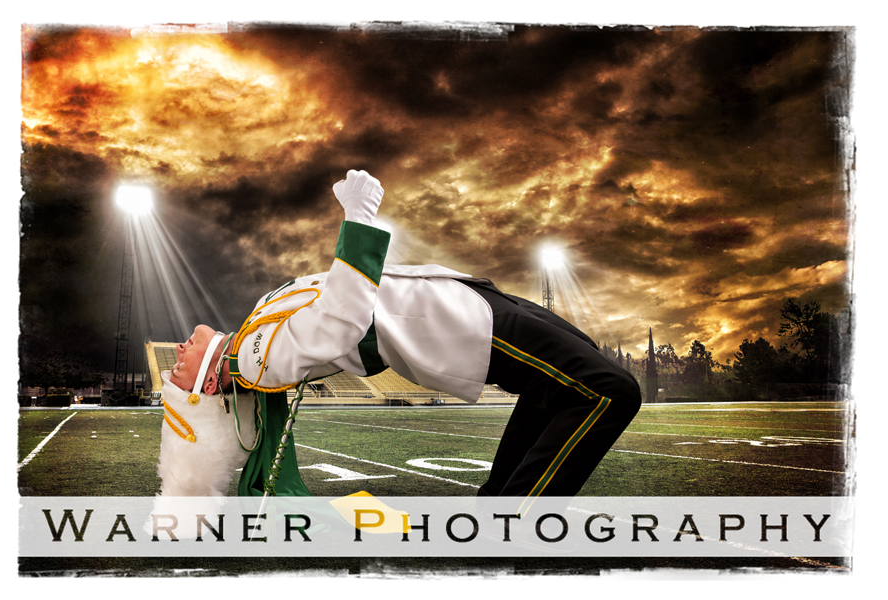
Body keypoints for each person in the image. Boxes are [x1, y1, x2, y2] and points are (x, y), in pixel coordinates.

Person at [168, 169, 642, 499]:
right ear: (210, 383)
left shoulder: (255, 325)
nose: (177, 352)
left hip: (459, 300)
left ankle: (497, 509)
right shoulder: (252, 360)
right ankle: (515, 526)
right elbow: (341, 318)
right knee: (610, 391)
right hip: (452, 324)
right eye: (178, 371)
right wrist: (359, 216)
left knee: (578, 369)